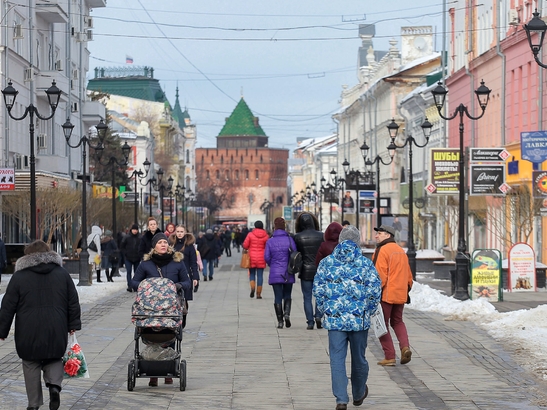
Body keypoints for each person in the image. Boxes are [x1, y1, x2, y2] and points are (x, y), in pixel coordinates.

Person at [0, 240, 81, 410]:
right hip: (56, 326)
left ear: (27, 255)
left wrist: (2, 330)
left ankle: (34, 404)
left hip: (27, 329)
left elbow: (8, 305)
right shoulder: (62, 274)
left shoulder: (19, 277)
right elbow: (73, 301)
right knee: (54, 357)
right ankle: (54, 387)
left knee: (30, 362)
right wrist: (72, 324)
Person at [313, 226, 381, 410]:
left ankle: (341, 399)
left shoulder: (327, 263)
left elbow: (318, 289)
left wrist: (325, 308)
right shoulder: (365, 264)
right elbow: (375, 290)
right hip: (359, 320)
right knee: (359, 358)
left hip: (335, 320)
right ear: (357, 241)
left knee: (336, 359)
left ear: (340, 241)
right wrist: (369, 309)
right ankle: (358, 393)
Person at [132, 232, 191, 386]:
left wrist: (178, 286)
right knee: (151, 332)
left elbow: (187, 282)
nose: (163, 245)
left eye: (165, 242)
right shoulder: (146, 264)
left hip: (171, 307)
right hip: (150, 308)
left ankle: (167, 369)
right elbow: (134, 282)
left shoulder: (177, 262)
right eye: (160, 243)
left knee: (170, 331)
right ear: (154, 246)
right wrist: (146, 286)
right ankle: (153, 371)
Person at [372, 224, 413, 366]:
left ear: (388, 235)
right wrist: (405, 290)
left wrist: (374, 292)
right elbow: (409, 276)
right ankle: (405, 347)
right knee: (398, 321)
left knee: (382, 324)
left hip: (386, 295)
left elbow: (379, 275)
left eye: (380, 233)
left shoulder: (382, 250)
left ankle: (389, 356)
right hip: (400, 294)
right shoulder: (401, 251)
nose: (376, 236)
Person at [264, 217, 296, 328]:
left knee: (277, 296)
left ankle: (280, 321)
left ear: (274, 227)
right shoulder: (289, 239)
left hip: (275, 272)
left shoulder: (270, 241)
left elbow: (266, 257)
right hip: (288, 271)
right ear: (284, 227)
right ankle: (287, 314)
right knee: (287, 294)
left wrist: (272, 264)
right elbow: (295, 254)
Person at [294, 212, 324, 329]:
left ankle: (310, 322)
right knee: (319, 296)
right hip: (319, 270)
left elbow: (295, 254)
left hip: (305, 270)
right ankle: (318, 316)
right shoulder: (321, 235)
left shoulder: (297, 237)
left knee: (307, 297)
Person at [169, 225, 199, 329]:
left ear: (185, 232)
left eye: (182, 231)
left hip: (186, 275)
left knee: (184, 298)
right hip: (173, 275)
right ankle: (175, 318)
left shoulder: (189, 246)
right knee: (173, 297)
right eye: (178, 231)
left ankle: (184, 316)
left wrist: (195, 277)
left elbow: (193, 262)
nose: (180, 233)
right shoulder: (171, 244)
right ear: (175, 232)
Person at [242, 220, 269, 299]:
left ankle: (252, 287)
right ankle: (258, 294)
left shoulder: (250, 234)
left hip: (252, 257)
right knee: (260, 275)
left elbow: (245, 245)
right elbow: (267, 247)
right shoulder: (266, 236)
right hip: (261, 257)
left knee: (252, 274)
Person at [120, 224, 141, 292]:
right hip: (128, 258)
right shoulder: (127, 237)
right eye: (133, 229)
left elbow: (142, 247)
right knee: (128, 271)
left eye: (136, 230)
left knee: (136, 272)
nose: (135, 231)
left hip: (137, 258)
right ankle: (129, 285)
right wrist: (125, 253)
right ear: (131, 230)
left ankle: (135, 285)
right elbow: (122, 246)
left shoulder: (140, 238)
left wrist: (140, 254)